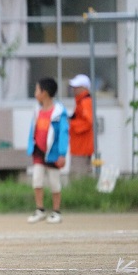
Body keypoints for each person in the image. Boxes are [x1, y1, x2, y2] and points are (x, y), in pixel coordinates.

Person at [26, 77, 69, 224]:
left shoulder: (58, 112)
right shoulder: (37, 111)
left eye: (37, 90)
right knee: (36, 180)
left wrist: (62, 154)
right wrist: (31, 146)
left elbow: (63, 134)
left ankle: (56, 211)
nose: (35, 93)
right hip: (38, 151)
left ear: (44, 93)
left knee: (54, 182)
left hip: (53, 153)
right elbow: (33, 130)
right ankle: (40, 209)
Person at [68, 74, 94, 178]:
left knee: (78, 177)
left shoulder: (85, 102)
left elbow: (88, 122)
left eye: (77, 87)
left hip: (82, 147)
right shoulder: (81, 101)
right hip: (79, 146)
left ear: (84, 87)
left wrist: (71, 124)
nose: (74, 89)